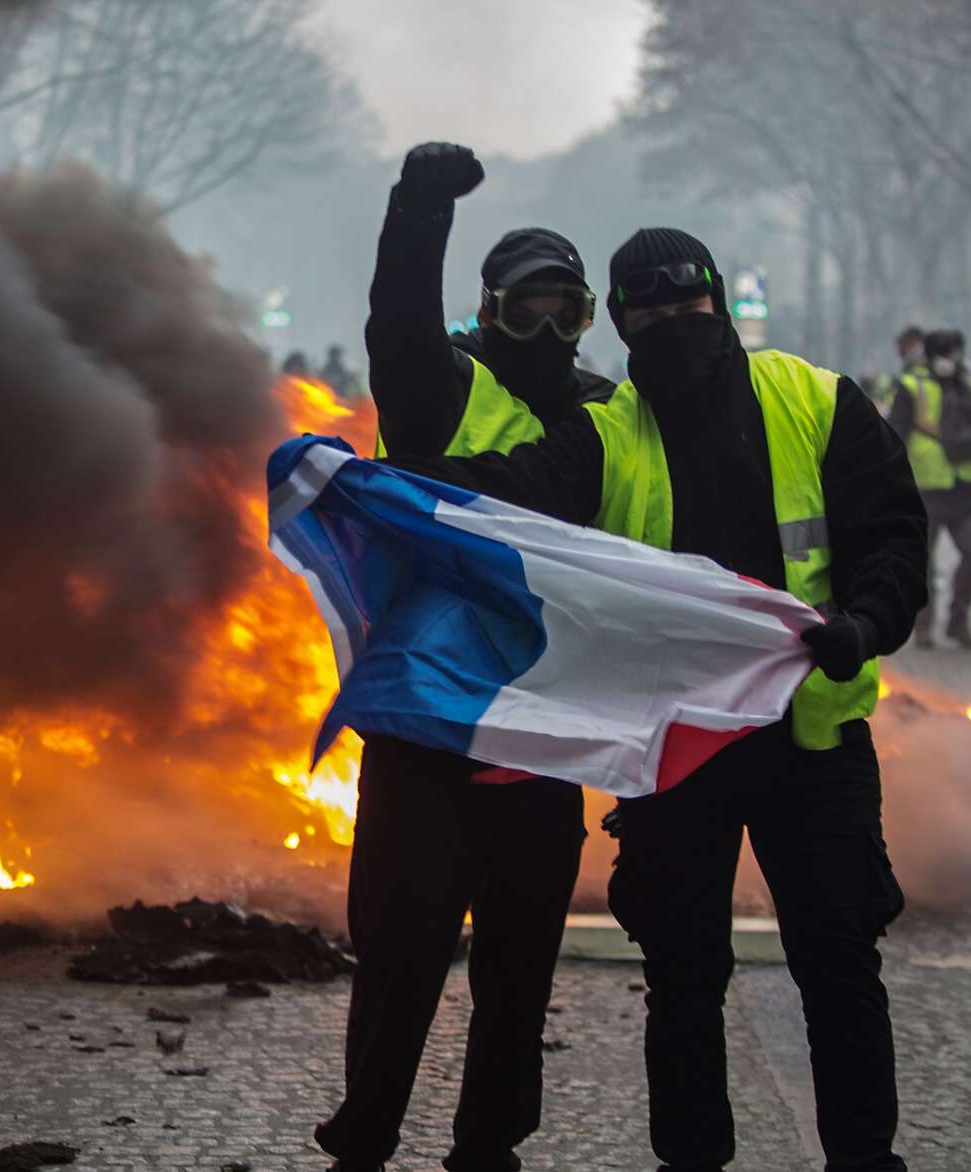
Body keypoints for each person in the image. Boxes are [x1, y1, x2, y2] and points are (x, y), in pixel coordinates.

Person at [391, 226, 924, 1172]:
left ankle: (864, 1161)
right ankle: (692, 1160)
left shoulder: (816, 400)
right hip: (677, 752)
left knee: (839, 964)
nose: (676, 324)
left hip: (811, 740)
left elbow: (892, 535)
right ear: (624, 323)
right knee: (683, 976)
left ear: (719, 302)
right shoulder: (603, 436)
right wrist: (376, 487)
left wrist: (867, 624)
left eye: (690, 304)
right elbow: (501, 502)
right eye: (652, 310)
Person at [313, 141, 613, 1172]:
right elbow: (395, 318)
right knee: (397, 954)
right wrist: (418, 208)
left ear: (585, 317)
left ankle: (488, 1143)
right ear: (487, 309)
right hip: (426, 728)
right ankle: (365, 1136)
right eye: (523, 306)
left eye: (563, 309)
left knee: (520, 966)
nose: (542, 327)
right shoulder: (440, 386)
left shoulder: (608, 412)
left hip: (542, 730)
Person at [888, 328, 971, 649]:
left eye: (956, 351)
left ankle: (959, 620)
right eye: (946, 352)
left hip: (962, 488)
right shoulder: (911, 387)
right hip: (924, 488)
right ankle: (924, 625)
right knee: (922, 563)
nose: (952, 359)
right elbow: (894, 436)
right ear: (931, 355)